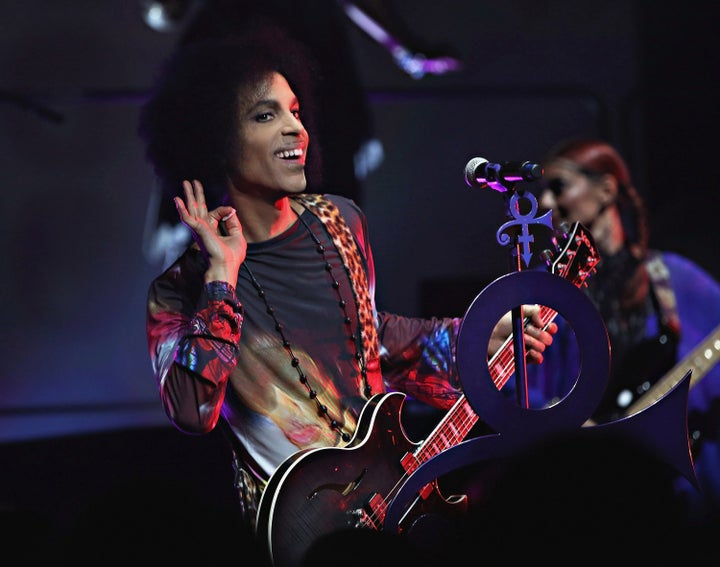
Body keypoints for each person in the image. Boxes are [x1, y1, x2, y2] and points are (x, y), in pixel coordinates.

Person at [137, 25, 555, 560]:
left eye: (295, 110)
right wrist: (222, 276)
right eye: (266, 115)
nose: (296, 130)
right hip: (292, 539)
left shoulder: (340, 219)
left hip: (389, 517)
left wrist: (477, 336)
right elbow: (193, 411)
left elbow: (370, 341)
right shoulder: (178, 292)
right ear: (215, 139)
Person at [526, 137, 720, 524]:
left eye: (559, 186)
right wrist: (561, 421)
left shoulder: (673, 276)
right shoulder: (546, 292)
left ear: (606, 189)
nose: (545, 203)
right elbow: (525, 388)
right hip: (582, 485)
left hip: (676, 488)